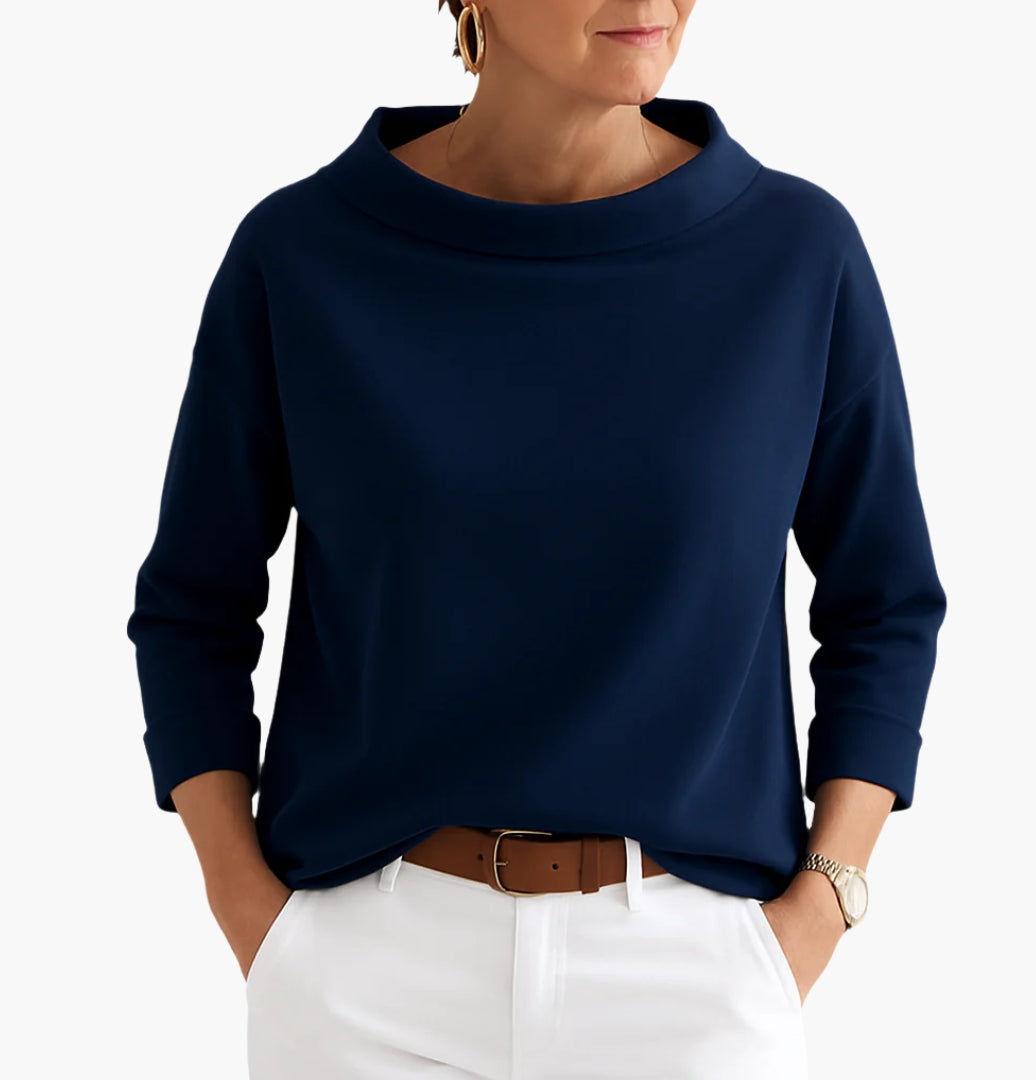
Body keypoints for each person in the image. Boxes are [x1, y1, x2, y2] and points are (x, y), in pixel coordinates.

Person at [124, 2, 947, 1077]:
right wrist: (252, 914)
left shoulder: (795, 252)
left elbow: (885, 602)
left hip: (696, 982)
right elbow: (193, 607)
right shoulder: (303, 253)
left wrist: (822, 904)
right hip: (365, 982)